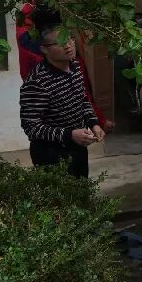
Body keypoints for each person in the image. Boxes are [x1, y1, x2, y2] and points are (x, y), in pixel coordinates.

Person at [19, 24, 105, 178]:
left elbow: (83, 99)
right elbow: (31, 127)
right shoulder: (37, 82)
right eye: (60, 42)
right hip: (50, 154)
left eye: (70, 39)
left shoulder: (75, 65)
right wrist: (69, 134)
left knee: (81, 190)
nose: (68, 45)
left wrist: (94, 123)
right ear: (44, 49)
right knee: (61, 193)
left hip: (77, 147)